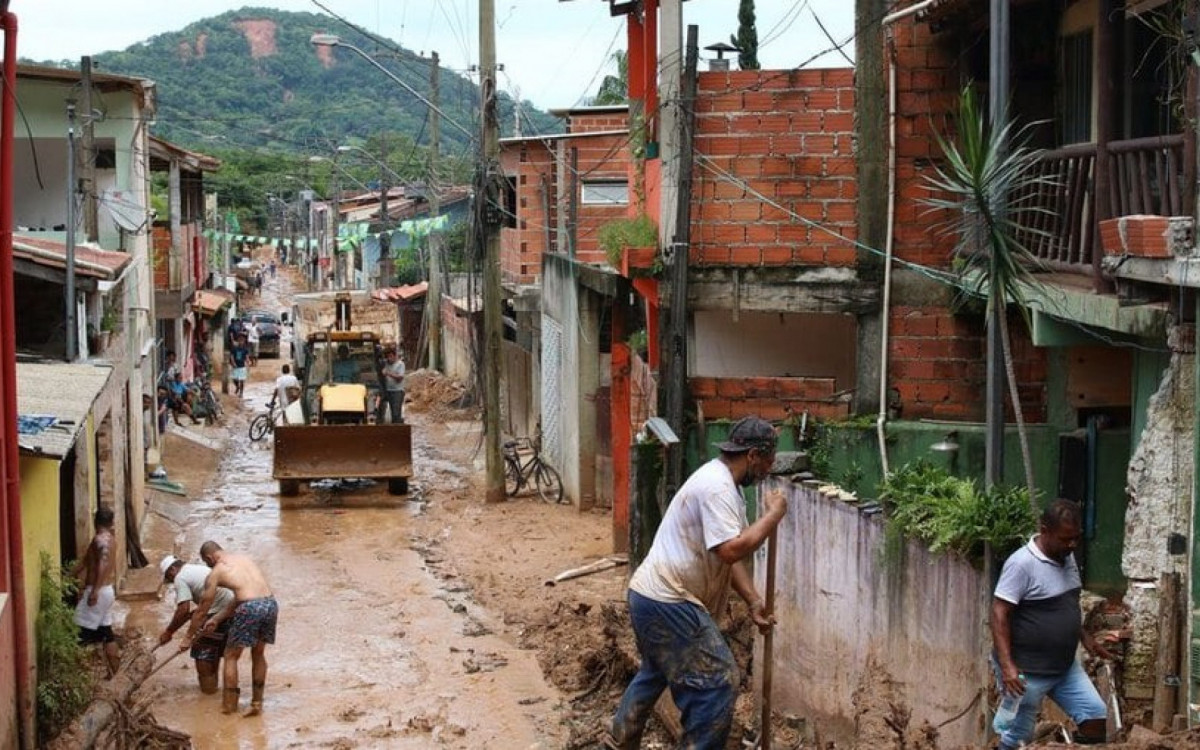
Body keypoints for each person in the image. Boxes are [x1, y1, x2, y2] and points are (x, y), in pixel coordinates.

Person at [608, 416, 785, 749]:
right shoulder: (717, 488)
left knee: (657, 670)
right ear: (752, 455)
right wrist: (773, 515)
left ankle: (620, 738)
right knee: (718, 681)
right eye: (768, 461)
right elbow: (732, 550)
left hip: (650, 594)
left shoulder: (721, 484)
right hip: (668, 598)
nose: (768, 469)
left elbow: (723, 557)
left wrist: (753, 601)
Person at [991, 499, 1113, 749]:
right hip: (1026, 673)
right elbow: (999, 612)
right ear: (1045, 530)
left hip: (1065, 667)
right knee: (1017, 738)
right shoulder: (1021, 564)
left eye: (1076, 538)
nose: (1072, 545)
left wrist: (1084, 636)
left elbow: (1066, 605)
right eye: (1065, 539)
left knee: (1095, 718)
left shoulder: (1066, 557)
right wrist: (1007, 666)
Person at [182, 541, 278, 717]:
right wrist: (218, 619)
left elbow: (202, 610)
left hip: (249, 608)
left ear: (210, 557)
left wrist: (188, 637)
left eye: (206, 562)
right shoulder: (244, 559)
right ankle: (257, 703)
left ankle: (229, 706)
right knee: (258, 654)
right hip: (270, 604)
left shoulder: (216, 572)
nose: (207, 566)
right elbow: (243, 596)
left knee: (231, 656)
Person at [158, 555, 235, 693]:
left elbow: (183, 609)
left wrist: (170, 632)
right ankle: (214, 691)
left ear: (172, 570)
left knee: (202, 654)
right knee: (214, 651)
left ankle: (208, 694)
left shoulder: (180, 578)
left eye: (169, 578)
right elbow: (189, 611)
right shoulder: (197, 568)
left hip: (216, 613)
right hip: (232, 610)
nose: (171, 581)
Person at [72, 506, 120, 677]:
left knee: (76, 634)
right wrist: (68, 576)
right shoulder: (109, 539)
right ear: (112, 522)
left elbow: (103, 563)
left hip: (98, 592)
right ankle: (116, 676)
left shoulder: (101, 540)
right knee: (107, 635)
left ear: (95, 521)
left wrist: (94, 591)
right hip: (106, 592)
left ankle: (74, 679)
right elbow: (85, 561)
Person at [380, 348, 405, 423]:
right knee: (389, 410)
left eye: (390, 356)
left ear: (395, 356)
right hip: (388, 390)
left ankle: (397, 426)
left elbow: (400, 378)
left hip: (397, 391)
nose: (389, 358)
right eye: (387, 357)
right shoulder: (386, 364)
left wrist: (388, 373)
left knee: (396, 413)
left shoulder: (400, 364)